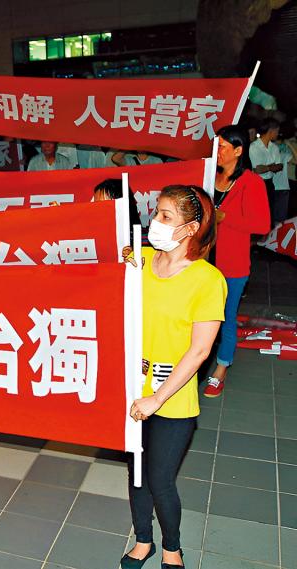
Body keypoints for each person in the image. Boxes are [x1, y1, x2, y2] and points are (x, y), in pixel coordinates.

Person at [122, 185, 226, 569]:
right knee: (137, 475)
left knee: (160, 479)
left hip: (172, 397)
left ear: (190, 228)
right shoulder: (142, 260)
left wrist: (157, 398)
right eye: (156, 213)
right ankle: (143, 539)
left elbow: (199, 351)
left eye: (166, 216)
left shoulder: (207, 280)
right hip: (133, 388)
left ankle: (172, 549)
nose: (156, 222)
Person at [204, 125, 270, 398]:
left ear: (239, 151)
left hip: (232, 265)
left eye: (222, 147)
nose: (217, 151)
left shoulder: (251, 182)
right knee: (201, 315)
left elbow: (262, 225)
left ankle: (221, 369)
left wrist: (225, 218)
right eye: (216, 145)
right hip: (203, 261)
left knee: (226, 317)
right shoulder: (209, 176)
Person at [249, 118, 282, 225]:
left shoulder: (274, 147)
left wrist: (266, 167)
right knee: (257, 212)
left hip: (269, 183)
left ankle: (267, 233)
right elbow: (257, 169)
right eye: (277, 131)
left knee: (269, 212)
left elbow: (280, 166)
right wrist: (272, 167)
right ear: (271, 131)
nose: (278, 133)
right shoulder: (254, 147)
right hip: (256, 184)